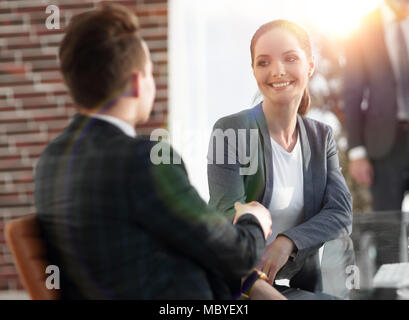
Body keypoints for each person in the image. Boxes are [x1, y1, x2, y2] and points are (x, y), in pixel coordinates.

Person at [34, 3, 280, 299]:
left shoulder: (50, 161)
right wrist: (254, 219)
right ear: (138, 83)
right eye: (151, 72)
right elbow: (238, 254)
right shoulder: (145, 160)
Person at [207, 20, 353, 298]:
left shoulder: (321, 138)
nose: (277, 71)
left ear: (310, 66)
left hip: (297, 286)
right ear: (253, 71)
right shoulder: (230, 131)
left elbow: (340, 213)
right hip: (242, 286)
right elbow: (227, 216)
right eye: (264, 62)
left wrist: (288, 241)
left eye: (290, 58)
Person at [343, 0, 409, 211]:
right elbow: (352, 90)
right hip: (384, 144)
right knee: (387, 229)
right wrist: (357, 152)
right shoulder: (363, 26)